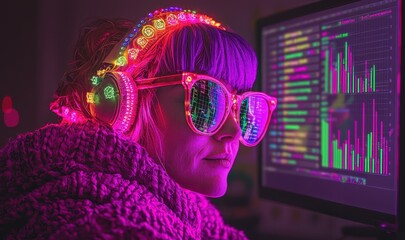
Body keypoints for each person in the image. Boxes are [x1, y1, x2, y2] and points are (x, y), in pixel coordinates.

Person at [0, 7, 276, 239]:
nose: (234, 132)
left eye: (242, 107)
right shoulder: (107, 219)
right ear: (122, 106)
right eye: (206, 100)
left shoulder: (185, 201)